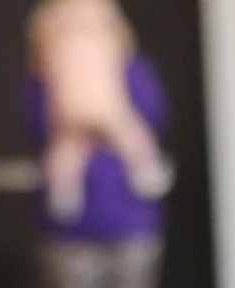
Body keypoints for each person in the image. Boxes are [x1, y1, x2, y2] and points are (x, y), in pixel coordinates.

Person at [24, 1, 169, 288]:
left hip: (131, 228)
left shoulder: (132, 72)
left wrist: (112, 116)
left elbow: (152, 123)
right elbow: (43, 130)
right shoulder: (43, 79)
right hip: (71, 235)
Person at [27, 0, 170, 222]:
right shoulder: (49, 61)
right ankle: (64, 191)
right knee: (69, 147)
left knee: (119, 138)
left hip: (127, 217)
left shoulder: (128, 67)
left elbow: (153, 112)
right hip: (81, 111)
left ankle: (65, 191)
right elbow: (35, 121)